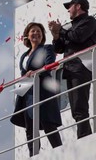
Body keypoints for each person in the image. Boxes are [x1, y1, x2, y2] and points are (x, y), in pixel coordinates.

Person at [48, 0, 96, 139]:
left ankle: (84, 138)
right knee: (76, 109)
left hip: (81, 67)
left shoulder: (90, 21)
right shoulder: (70, 27)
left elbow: (78, 37)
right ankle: (84, 136)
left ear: (78, 6)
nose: (68, 10)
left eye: (69, 7)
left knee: (80, 107)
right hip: (70, 70)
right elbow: (58, 49)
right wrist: (56, 35)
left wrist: (61, 31)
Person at [10, 22, 62, 157]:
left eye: (39, 31)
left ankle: (60, 151)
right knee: (30, 128)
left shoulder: (47, 48)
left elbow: (50, 65)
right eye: (33, 31)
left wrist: (34, 72)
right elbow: (23, 73)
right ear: (27, 35)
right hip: (27, 95)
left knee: (48, 123)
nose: (36, 33)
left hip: (42, 92)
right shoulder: (24, 55)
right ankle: (34, 155)